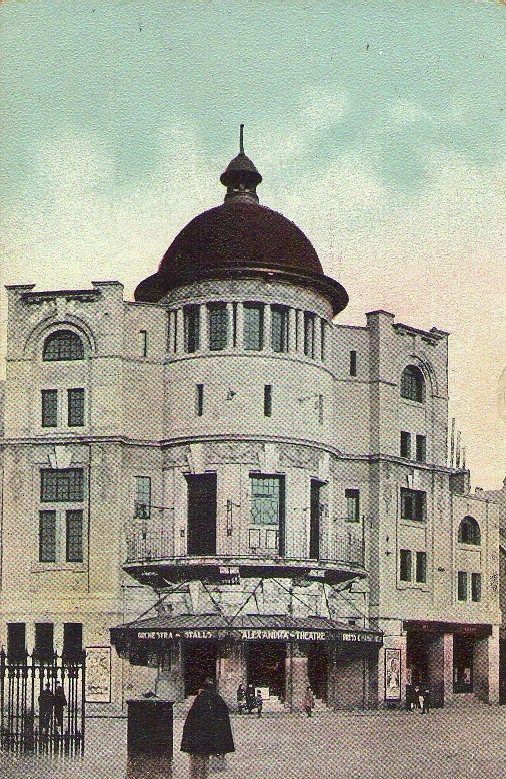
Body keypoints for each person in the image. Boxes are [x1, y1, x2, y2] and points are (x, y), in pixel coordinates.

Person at [181, 678, 235, 779]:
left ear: (202, 688)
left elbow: (190, 721)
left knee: (196, 765)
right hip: (210, 738)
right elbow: (224, 722)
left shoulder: (200, 699)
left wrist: (187, 741)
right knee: (205, 763)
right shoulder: (218, 700)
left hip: (196, 739)